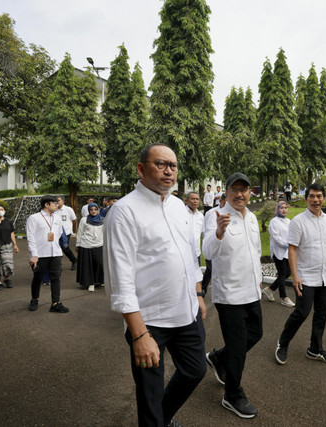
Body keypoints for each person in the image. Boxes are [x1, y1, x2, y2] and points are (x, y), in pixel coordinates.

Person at [104, 143, 207, 427]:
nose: (168, 171)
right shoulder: (124, 212)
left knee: (195, 371)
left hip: (186, 312)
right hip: (149, 321)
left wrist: (198, 294)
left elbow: (190, 255)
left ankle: (163, 417)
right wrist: (139, 335)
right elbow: (120, 278)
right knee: (149, 397)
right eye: (160, 164)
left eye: (172, 166)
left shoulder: (178, 207)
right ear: (141, 168)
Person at [203, 172, 263, 419]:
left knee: (256, 334)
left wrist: (259, 278)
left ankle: (219, 357)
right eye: (235, 189)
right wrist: (218, 232)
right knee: (238, 348)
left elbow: (256, 251)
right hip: (229, 294)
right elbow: (207, 251)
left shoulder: (252, 218)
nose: (240, 194)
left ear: (250, 192)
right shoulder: (216, 216)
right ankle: (232, 395)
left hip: (252, 290)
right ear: (225, 193)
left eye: (244, 189)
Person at [274, 183, 326, 365]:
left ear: (323, 198)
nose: (316, 200)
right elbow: (292, 249)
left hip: (324, 276)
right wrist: (295, 275)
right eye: (312, 196)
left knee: (322, 313)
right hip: (305, 276)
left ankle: (315, 349)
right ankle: (282, 343)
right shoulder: (298, 221)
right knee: (302, 312)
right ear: (306, 198)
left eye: (319, 196)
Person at [26, 195, 69, 314]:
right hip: (40, 254)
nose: (57, 205)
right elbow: (30, 237)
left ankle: (55, 303)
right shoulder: (34, 218)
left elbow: (59, 233)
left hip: (55, 252)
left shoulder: (57, 217)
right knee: (38, 278)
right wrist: (34, 254)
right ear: (46, 204)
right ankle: (34, 299)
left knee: (56, 278)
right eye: (54, 203)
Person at [263, 201, 295, 307]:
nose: (284, 209)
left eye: (286, 207)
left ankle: (270, 289)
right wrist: (285, 244)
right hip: (278, 251)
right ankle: (284, 298)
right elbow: (276, 237)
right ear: (277, 209)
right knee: (282, 274)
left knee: (287, 273)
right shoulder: (274, 222)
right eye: (281, 208)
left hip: (287, 252)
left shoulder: (288, 221)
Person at [75, 203, 104, 292]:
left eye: (95, 209)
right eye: (91, 210)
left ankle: (99, 280)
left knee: (100, 263)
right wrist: (78, 244)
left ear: (98, 210)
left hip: (99, 244)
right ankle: (90, 283)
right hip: (86, 245)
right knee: (88, 265)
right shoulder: (84, 220)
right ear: (88, 211)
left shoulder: (103, 220)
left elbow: (105, 233)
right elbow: (80, 232)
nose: (93, 211)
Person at [201, 193, 225, 296]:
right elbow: (205, 228)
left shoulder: (232, 213)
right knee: (210, 268)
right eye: (225, 203)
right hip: (211, 243)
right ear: (220, 201)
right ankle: (203, 289)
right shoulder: (210, 213)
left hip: (222, 248)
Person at [57, 196, 77, 271]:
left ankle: (74, 261)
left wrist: (69, 229)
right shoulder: (54, 210)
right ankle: (58, 265)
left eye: (58, 200)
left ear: (63, 201)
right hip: (56, 233)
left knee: (65, 248)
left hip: (66, 233)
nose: (57, 202)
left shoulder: (68, 209)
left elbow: (74, 220)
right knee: (57, 248)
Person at [185, 191, 204, 265]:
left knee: (196, 275)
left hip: (196, 254)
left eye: (197, 199)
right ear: (186, 201)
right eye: (193, 199)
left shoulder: (200, 216)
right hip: (183, 254)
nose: (195, 201)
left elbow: (204, 234)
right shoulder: (180, 213)